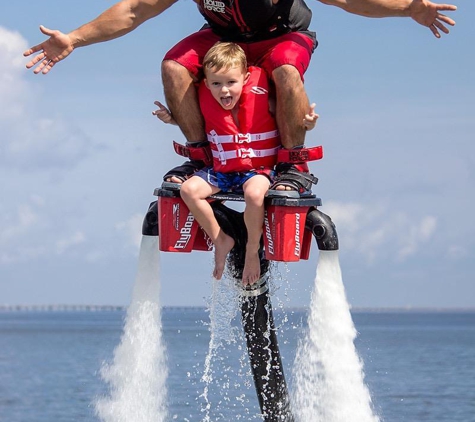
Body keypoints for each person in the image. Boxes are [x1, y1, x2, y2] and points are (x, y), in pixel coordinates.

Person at [23, 0, 457, 193]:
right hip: (225, 38)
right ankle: (200, 156)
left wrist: (410, 8)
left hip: (281, 36)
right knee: (174, 65)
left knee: (285, 69)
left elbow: (348, 0)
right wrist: (75, 39)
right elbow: (136, 8)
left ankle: (293, 166)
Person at [155, 42, 317, 284]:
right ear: (207, 83)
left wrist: (308, 122)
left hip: (257, 171)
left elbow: (290, 116)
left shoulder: (265, 98)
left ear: (245, 78)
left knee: (254, 196)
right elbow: (198, 122)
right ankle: (221, 239)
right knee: (189, 190)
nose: (224, 91)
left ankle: (252, 250)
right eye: (217, 84)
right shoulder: (204, 101)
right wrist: (172, 120)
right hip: (222, 171)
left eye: (231, 82)